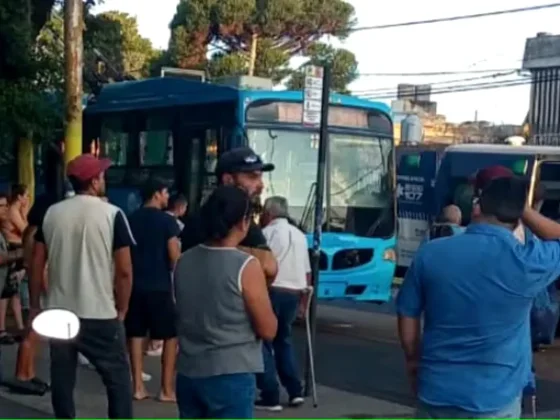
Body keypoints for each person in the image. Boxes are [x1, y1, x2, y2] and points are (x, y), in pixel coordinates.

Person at [397, 176, 560, 419]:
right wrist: (523, 209)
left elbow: (407, 312)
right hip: (495, 396)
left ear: (476, 208)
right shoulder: (527, 263)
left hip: (436, 389)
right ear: (518, 218)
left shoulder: (431, 253)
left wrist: (412, 360)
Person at [29, 153, 134, 419]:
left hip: (59, 311)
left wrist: (34, 306)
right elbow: (124, 271)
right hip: (99, 312)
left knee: (62, 379)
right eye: (102, 175)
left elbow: (36, 263)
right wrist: (122, 309)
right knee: (118, 379)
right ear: (95, 181)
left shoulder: (52, 213)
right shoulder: (112, 215)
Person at [174, 185, 277, 419]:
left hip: (189, 372)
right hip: (231, 373)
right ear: (243, 222)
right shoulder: (246, 266)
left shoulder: (185, 260)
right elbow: (268, 329)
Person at [180, 147, 278, 283]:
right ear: (228, 179)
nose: (260, 185)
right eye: (252, 177)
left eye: (260, 177)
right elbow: (269, 267)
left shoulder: (195, 218)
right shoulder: (240, 222)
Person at [126, 177, 181, 402]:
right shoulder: (168, 222)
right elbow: (173, 256)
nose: (168, 197)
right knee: (170, 335)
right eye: (166, 192)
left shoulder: (130, 219)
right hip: (160, 287)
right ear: (157, 194)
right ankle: (166, 389)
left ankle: (137, 387)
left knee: (136, 334)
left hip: (135, 286)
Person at [256, 196, 309, 411]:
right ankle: (295, 390)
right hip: (294, 292)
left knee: (262, 341)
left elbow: (261, 265)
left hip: (273, 290)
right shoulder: (299, 235)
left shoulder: (268, 233)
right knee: (283, 340)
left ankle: (270, 394)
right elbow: (307, 272)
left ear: (269, 213)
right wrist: (304, 303)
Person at [0, 184, 29, 341]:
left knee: (14, 291)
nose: (28, 199)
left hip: (16, 250)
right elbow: (26, 230)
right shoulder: (13, 211)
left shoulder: (14, 211)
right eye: (26, 195)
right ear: (20, 197)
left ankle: (19, 327)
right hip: (14, 249)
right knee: (7, 292)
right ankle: (3, 329)